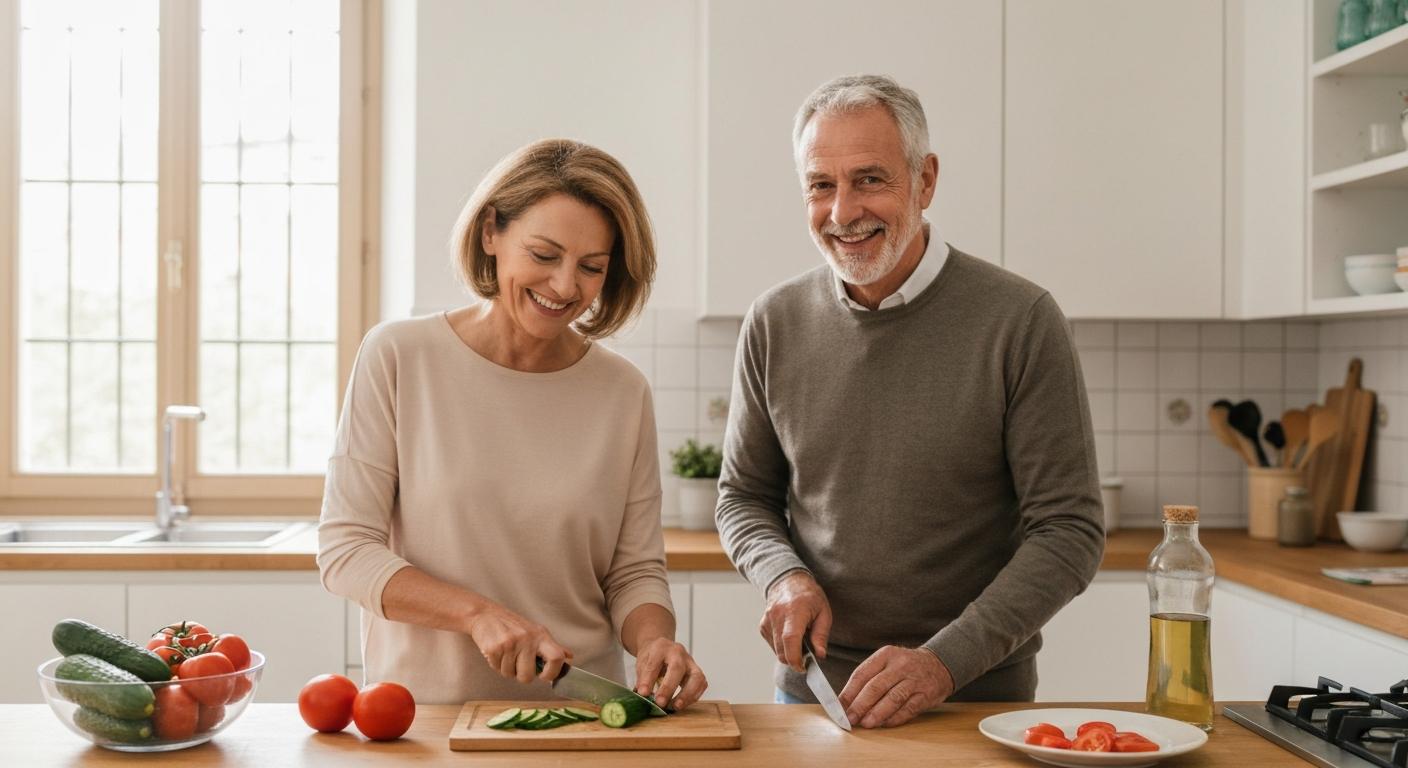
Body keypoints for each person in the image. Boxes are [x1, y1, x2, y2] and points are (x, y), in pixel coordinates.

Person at [716, 75, 1104, 729]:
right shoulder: (772, 321)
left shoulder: (1021, 319)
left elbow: (1069, 531)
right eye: (821, 185)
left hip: (976, 700)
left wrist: (942, 663)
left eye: (869, 179)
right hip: (813, 696)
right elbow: (743, 497)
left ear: (925, 180)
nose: (842, 212)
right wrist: (784, 576)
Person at [319, 139, 707, 709]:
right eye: (545, 255)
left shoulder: (622, 392)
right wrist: (477, 615)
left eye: (591, 267)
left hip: (582, 716)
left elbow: (634, 572)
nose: (565, 287)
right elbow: (346, 550)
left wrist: (656, 642)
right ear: (490, 234)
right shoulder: (400, 357)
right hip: (423, 720)